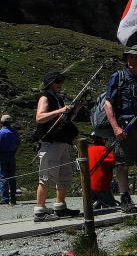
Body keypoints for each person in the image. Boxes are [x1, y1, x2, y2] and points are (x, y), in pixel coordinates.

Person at [97, 45, 137, 214]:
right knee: (123, 163)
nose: (133, 60)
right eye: (130, 57)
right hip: (124, 126)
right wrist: (116, 127)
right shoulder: (118, 77)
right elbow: (108, 103)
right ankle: (125, 198)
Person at [34, 71, 81, 221]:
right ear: (49, 83)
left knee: (64, 175)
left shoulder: (58, 98)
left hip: (61, 143)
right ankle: (40, 210)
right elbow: (40, 117)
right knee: (46, 177)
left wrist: (74, 110)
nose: (60, 84)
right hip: (50, 143)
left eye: (61, 81)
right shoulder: (45, 97)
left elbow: (64, 120)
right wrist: (60, 111)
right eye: (57, 82)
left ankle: (60, 206)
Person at [87, 134, 117, 210]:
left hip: (89, 183)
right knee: (110, 207)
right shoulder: (104, 150)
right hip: (101, 184)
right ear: (102, 140)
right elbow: (113, 162)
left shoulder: (89, 149)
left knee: (94, 206)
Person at [0, 114, 19, 205]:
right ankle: (13, 199)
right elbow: (19, 144)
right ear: (10, 122)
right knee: (12, 176)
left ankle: (5, 199)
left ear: (2, 122)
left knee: (3, 177)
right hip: (12, 155)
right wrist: (15, 153)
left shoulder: (1, 133)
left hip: (2, 155)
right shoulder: (14, 132)